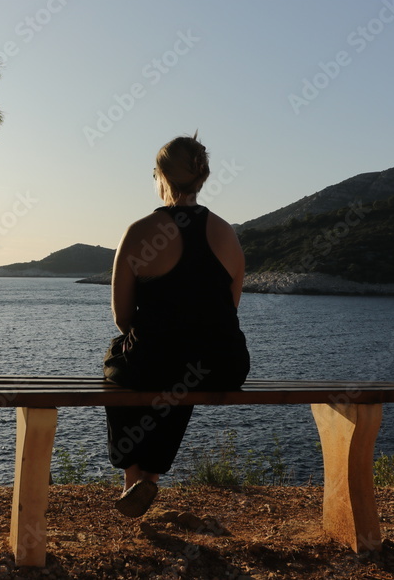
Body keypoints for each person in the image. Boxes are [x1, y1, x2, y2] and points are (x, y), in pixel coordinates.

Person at [103, 132, 250, 517]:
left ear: (162, 178)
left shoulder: (138, 233)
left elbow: (122, 319)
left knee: (119, 362)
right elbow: (226, 310)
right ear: (201, 179)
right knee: (188, 363)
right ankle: (148, 477)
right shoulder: (227, 235)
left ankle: (135, 475)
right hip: (225, 365)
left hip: (162, 362)